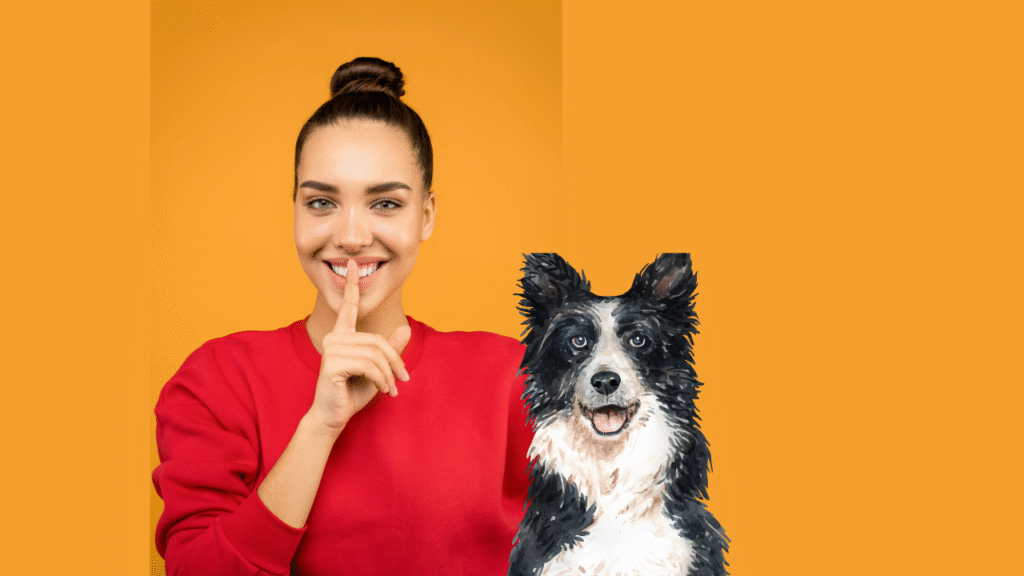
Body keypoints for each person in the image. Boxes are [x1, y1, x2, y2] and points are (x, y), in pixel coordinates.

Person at [153, 57, 533, 576]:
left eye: (385, 204)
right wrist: (319, 427)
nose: (352, 236)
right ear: (294, 210)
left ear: (426, 215)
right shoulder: (216, 381)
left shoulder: (513, 378)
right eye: (321, 202)